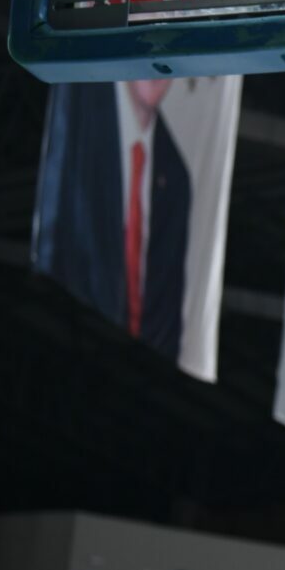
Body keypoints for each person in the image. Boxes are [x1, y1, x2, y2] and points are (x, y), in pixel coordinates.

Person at [34, 80, 190, 360]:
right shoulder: (79, 107)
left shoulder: (175, 175)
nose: (156, 67)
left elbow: (167, 314)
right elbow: (53, 239)